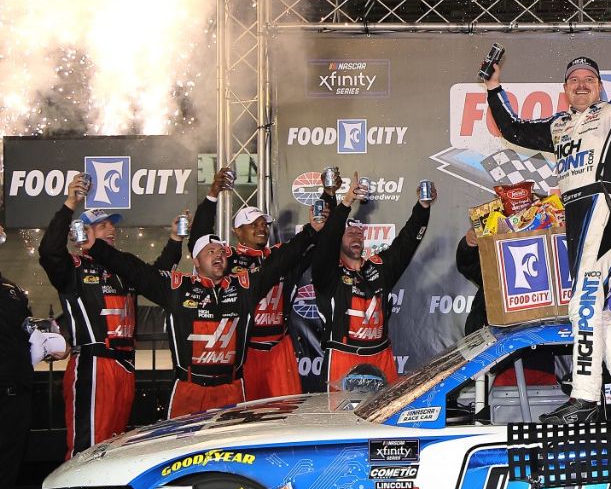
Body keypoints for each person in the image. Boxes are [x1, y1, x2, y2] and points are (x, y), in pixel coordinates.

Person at [484, 23, 611, 423]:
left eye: (589, 79)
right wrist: (493, 89)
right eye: (574, 80)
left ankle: (585, 399)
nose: (581, 85)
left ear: (600, 87)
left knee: (582, 306)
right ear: (564, 89)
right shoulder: (559, 125)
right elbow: (513, 128)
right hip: (576, 220)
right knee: (595, 309)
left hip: (603, 215)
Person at [86, 219, 319, 418]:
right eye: (210, 252)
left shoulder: (244, 286)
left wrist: (311, 230)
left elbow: (280, 262)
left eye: (221, 252)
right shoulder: (177, 287)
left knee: (230, 453)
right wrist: (96, 248)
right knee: (182, 454)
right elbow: (133, 269)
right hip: (190, 389)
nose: (218, 255)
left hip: (232, 388)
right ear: (196, 261)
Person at [38, 173, 184, 457]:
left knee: (113, 450)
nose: (111, 230)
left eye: (112, 225)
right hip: (94, 365)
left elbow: (155, 276)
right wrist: (70, 204)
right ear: (84, 232)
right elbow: (48, 251)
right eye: (102, 226)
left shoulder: (122, 268)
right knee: (88, 449)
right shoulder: (74, 267)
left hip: (125, 367)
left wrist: (175, 241)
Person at [188, 166, 311, 402]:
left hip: (278, 346)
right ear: (237, 232)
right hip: (245, 350)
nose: (261, 228)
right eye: (253, 224)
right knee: (247, 416)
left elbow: (314, 245)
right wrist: (212, 196)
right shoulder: (227, 258)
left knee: (286, 415)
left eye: (264, 224)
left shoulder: (278, 256)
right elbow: (199, 241)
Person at [311, 174, 433, 392]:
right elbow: (326, 240)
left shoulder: (378, 268)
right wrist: (347, 202)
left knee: (384, 422)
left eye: (359, 233)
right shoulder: (328, 274)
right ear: (338, 241)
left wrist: (423, 207)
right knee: (340, 423)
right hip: (343, 357)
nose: (356, 236)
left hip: (381, 357)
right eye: (349, 234)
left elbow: (406, 243)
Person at [0, 250, 68, 489]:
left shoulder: (8, 287)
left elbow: (24, 330)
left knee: (5, 475)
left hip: (16, 394)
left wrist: (40, 340)